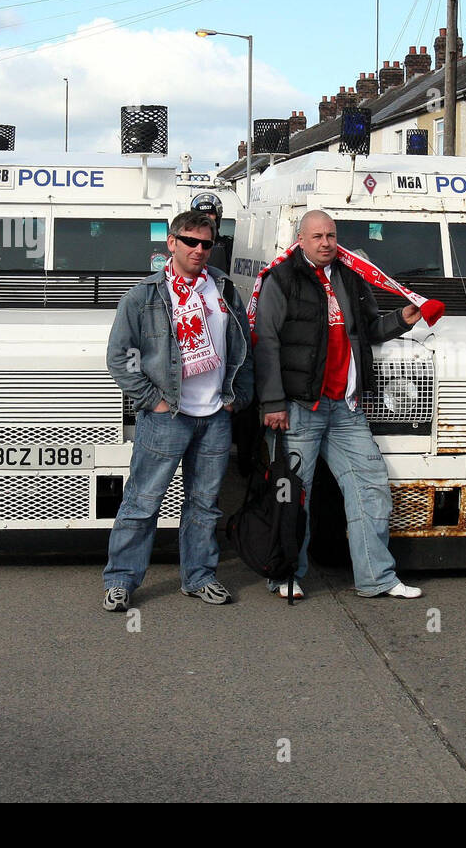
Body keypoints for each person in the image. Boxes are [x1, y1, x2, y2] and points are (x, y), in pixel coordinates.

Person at [253, 209, 423, 599]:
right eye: (317, 237)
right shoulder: (281, 278)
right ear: (301, 239)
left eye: (331, 235)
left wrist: (403, 319)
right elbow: (266, 342)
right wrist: (273, 402)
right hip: (299, 408)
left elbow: (368, 331)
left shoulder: (350, 276)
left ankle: (377, 578)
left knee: (371, 487)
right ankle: (286, 575)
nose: (326, 243)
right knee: (294, 496)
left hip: (346, 408)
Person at [102, 208, 254, 612]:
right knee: (143, 501)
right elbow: (122, 357)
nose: (199, 250)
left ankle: (199, 576)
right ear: (171, 243)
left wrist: (238, 396)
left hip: (215, 416)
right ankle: (121, 580)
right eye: (190, 241)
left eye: (207, 243)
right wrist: (155, 399)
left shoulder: (222, 289)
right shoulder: (145, 295)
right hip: (166, 417)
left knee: (204, 504)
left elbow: (243, 347)